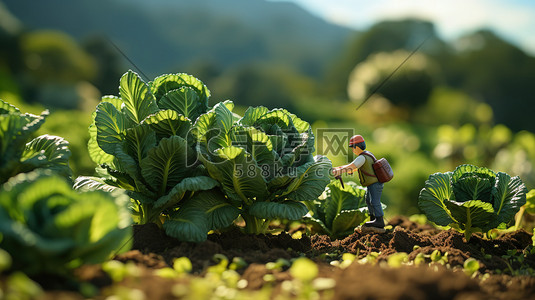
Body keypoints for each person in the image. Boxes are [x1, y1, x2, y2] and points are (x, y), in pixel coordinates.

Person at [331, 135, 386, 233]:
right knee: (368, 200)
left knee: (374, 201)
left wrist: (339, 171)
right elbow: (354, 168)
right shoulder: (366, 155)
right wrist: (339, 169)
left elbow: (352, 166)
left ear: (357, 147)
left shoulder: (362, 157)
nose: (353, 150)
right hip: (372, 184)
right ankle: (373, 219)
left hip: (375, 184)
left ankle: (379, 221)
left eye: (353, 148)